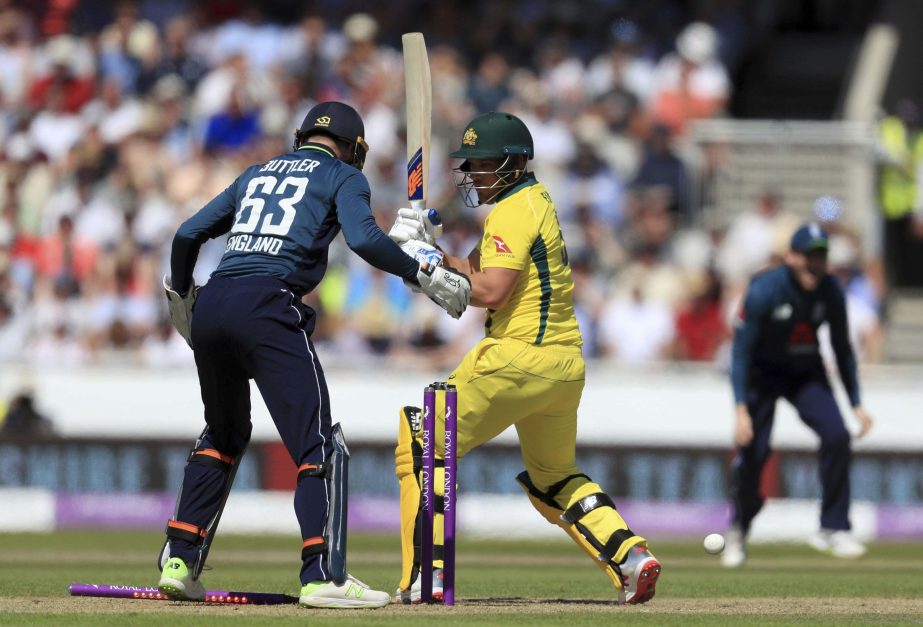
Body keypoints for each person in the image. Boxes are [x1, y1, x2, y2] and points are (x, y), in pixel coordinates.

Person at [156, 101, 470, 608]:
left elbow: (188, 233)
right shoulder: (343, 175)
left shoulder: (257, 172)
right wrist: (421, 272)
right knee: (317, 443)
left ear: (301, 136)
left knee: (223, 434)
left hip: (213, 301)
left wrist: (181, 296)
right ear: (352, 148)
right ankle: (322, 573)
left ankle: (179, 559)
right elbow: (365, 240)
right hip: (268, 303)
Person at [388, 112, 661, 604]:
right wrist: (424, 252)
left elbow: (490, 289)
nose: (471, 173)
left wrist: (424, 267)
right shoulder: (532, 200)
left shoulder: (511, 210)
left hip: (514, 360)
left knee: (420, 444)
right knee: (554, 477)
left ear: (512, 164)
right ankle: (631, 557)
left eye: (481, 163)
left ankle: (424, 579)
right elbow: (471, 268)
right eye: (467, 164)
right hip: (563, 368)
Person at [723, 223, 874, 567]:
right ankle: (739, 527)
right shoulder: (764, 289)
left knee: (837, 435)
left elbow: (842, 348)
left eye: (821, 255)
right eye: (809, 255)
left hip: (805, 372)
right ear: (791, 257)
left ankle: (833, 528)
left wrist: (855, 403)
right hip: (762, 375)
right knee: (753, 454)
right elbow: (741, 353)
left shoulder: (830, 290)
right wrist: (740, 409)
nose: (815, 263)